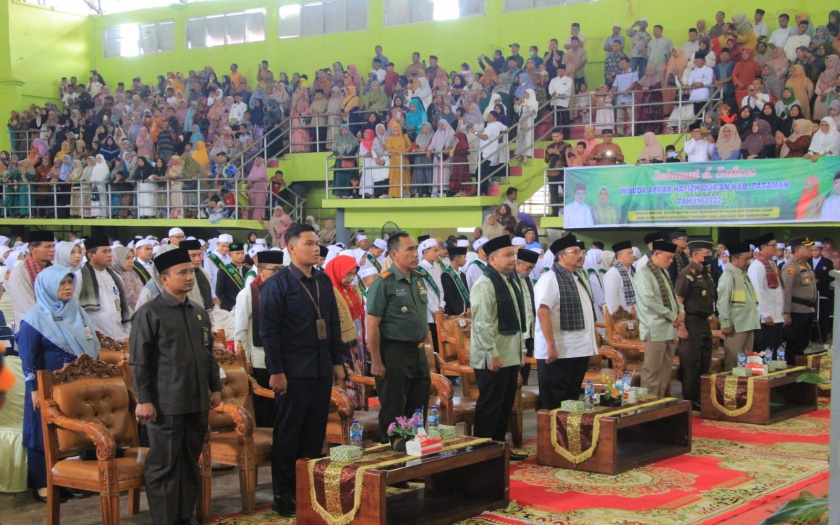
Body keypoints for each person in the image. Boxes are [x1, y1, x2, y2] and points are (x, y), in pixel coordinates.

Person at [130, 248, 222, 525]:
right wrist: (143, 400)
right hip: (165, 404)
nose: (189, 276)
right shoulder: (150, 313)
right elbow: (139, 361)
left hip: (196, 402)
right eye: (182, 272)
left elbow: (208, 354)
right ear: (164, 279)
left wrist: (215, 387)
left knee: (189, 465)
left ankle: (185, 518)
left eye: (191, 271)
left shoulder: (197, 312)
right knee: (164, 466)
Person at [259, 224, 344, 517]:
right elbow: (269, 331)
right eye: (308, 243)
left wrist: (337, 362)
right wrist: (276, 370)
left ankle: (308, 489)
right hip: (292, 371)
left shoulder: (323, 281)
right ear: (291, 248)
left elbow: (332, 324)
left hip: (320, 368)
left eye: (317, 243)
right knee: (288, 433)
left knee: (313, 432)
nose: (315, 247)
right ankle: (283, 492)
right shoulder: (278, 284)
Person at [18, 266, 100, 503]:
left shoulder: (79, 313)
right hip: (46, 387)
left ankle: (73, 478)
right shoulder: (33, 319)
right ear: (47, 287)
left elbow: (91, 344)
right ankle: (42, 482)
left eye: (69, 283)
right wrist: (34, 389)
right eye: (61, 284)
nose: (67, 288)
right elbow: (29, 359)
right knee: (42, 432)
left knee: (74, 432)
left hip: (77, 386)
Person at [365, 233, 430, 443]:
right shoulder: (383, 283)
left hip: (418, 352)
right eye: (409, 249)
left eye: (415, 248)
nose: (415, 254)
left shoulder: (418, 279)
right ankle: (392, 462)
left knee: (418, 408)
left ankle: (413, 458)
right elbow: (372, 325)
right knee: (394, 409)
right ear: (394, 254)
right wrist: (375, 360)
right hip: (394, 353)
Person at [469, 236, 527, 458]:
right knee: (490, 406)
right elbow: (482, 323)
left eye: (514, 254)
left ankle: (500, 448)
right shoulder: (484, 284)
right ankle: (482, 452)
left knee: (504, 406)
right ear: (492, 259)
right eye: (508, 255)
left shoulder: (509, 281)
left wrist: (520, 351)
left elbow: (518, 320)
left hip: (509, 354)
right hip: (492, 357)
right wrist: (493, 354)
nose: (513, 259)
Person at [533, 235, 597, 409]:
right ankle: (552, 436)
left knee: (571, 400)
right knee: (555, 401)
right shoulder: (550, 279)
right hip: (559, 351)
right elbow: (543, 311)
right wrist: (550, 345)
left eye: (581, 252)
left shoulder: (575, 277)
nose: (581, 255)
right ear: (561, 256)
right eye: (575, 252)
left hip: (577, 349)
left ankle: (566, 435)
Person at [234, 248, 283, 427]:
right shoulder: (247, 294)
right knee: (264, 406)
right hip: (259, 359)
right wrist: (244, 359)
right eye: (274, 270)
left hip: (282, 357)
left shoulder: (284, 291)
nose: (279, 274)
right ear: (261, 271)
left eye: (281, 269)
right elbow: (240, 330)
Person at [635, 240, 684, 397]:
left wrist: (681, 311)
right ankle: (646, 409)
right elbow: (650, 301)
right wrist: (673, 315)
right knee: (652, 372)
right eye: (668, 258)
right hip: (654, 329)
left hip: (669, 328)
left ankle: (659, 405)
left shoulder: (663, 271)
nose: (671, 261)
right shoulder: (643, 273)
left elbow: (673, 296)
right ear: (656, 254)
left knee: (664, 373)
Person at [674, 237, 716, 410]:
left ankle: (702, 394)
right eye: (707, 254)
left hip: (703, 321)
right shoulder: (688, 273)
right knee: (692, 361)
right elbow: (679, 300)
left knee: (704, 359)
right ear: (697, 255)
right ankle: (690, 397)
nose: (710, 256)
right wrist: (681, 326)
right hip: (691, 320)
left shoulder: (704, 272)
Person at [716, 242, 760, 371]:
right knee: (734, 362)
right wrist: (725, 323)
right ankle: (731, 388)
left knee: (747, 362)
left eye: (749, 258)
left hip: (748, 322)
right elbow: (722, 302)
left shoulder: (742, 274)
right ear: (734, 258)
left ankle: (745, 388)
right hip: (736, 325)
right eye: (745, 259)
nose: (748, 262)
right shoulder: (728, 276)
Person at [78, 237, 131, 340]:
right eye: (104, 251)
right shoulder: (79, 277)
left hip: (119, 337)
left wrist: (127, 335)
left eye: (110, 251)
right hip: (94, 338)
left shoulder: (116, 277)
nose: (109, 255)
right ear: (90, 255)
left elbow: (123, 308)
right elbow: (75, 311)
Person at [7, 231, 54, 331]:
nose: (52, 250)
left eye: (53, 246)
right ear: (32, 248)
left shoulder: (53, 270)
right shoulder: (20, 272)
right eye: (47, 247)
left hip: (53, 328)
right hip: (30, 329)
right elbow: (28, 307)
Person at [748, 233, 785, 356]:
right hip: (765, 318)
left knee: (776, 350)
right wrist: (765, 313)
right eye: (773, 245)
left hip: (776, 316)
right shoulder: (757, 265)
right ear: (763, 247)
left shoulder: (772, 263)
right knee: (765, 352)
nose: (776, 247)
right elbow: (757, 292)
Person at [417, 238, 445, 352]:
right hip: (429, 313)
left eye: (438, 250)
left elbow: (440, 288)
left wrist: (442, 305)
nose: (438, 253)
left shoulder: (437, 267)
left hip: (439, 310)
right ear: (425, 253)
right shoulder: (419, 269)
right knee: (433, 343)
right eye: (435, 250)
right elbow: (424, 292)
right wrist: (434, 310)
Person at [603, 240, 636, 316]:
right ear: (620, 256)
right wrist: (619, 316)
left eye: (632, 253)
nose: (632, 256)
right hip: (622, 316)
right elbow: (612, 299)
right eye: (629, 253)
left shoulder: (632, 271)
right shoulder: (613, 273)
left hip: (635, 314)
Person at [810, 241, 835, 340]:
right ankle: (811, 336)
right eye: (812, 250)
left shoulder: (827, 263)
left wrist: (820, 281)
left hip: (823, 293)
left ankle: (822, 337)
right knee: (811, 315)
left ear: (821, 250)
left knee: (823, 315)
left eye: (816, 250)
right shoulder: (807, 262)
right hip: (810, 293)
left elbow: (831, 277)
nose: (814, 252)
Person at [543, 129, 571, 216]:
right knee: (553, 193)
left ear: (561, 136)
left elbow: (567, 160)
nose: (555, 138)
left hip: (563, 172)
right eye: (553, 137)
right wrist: (549, 153)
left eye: (557, 136)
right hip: (551, 172)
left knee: (566, 192)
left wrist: (558, 153)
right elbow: (546, 160)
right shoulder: (549, 146)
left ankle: (569, 211)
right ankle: (554, 213)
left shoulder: (567, 146)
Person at [215, 243, 246, 312]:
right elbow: (219, 292)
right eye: (237, 253)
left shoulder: (247, 270)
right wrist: (231, 305)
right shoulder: (223, 271)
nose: (240, 256)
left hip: (245, 306)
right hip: (230, 309)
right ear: (230, 255)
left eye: (242, 253)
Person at [441, 246, 470, 316]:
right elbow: (448, 297)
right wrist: (460, 312)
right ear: (457, 258)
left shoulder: (462, 274)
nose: (465, 260)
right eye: (464, 257)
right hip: (453, 313)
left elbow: (467, 292)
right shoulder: (446, 274)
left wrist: (468, 307)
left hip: (465, 312)